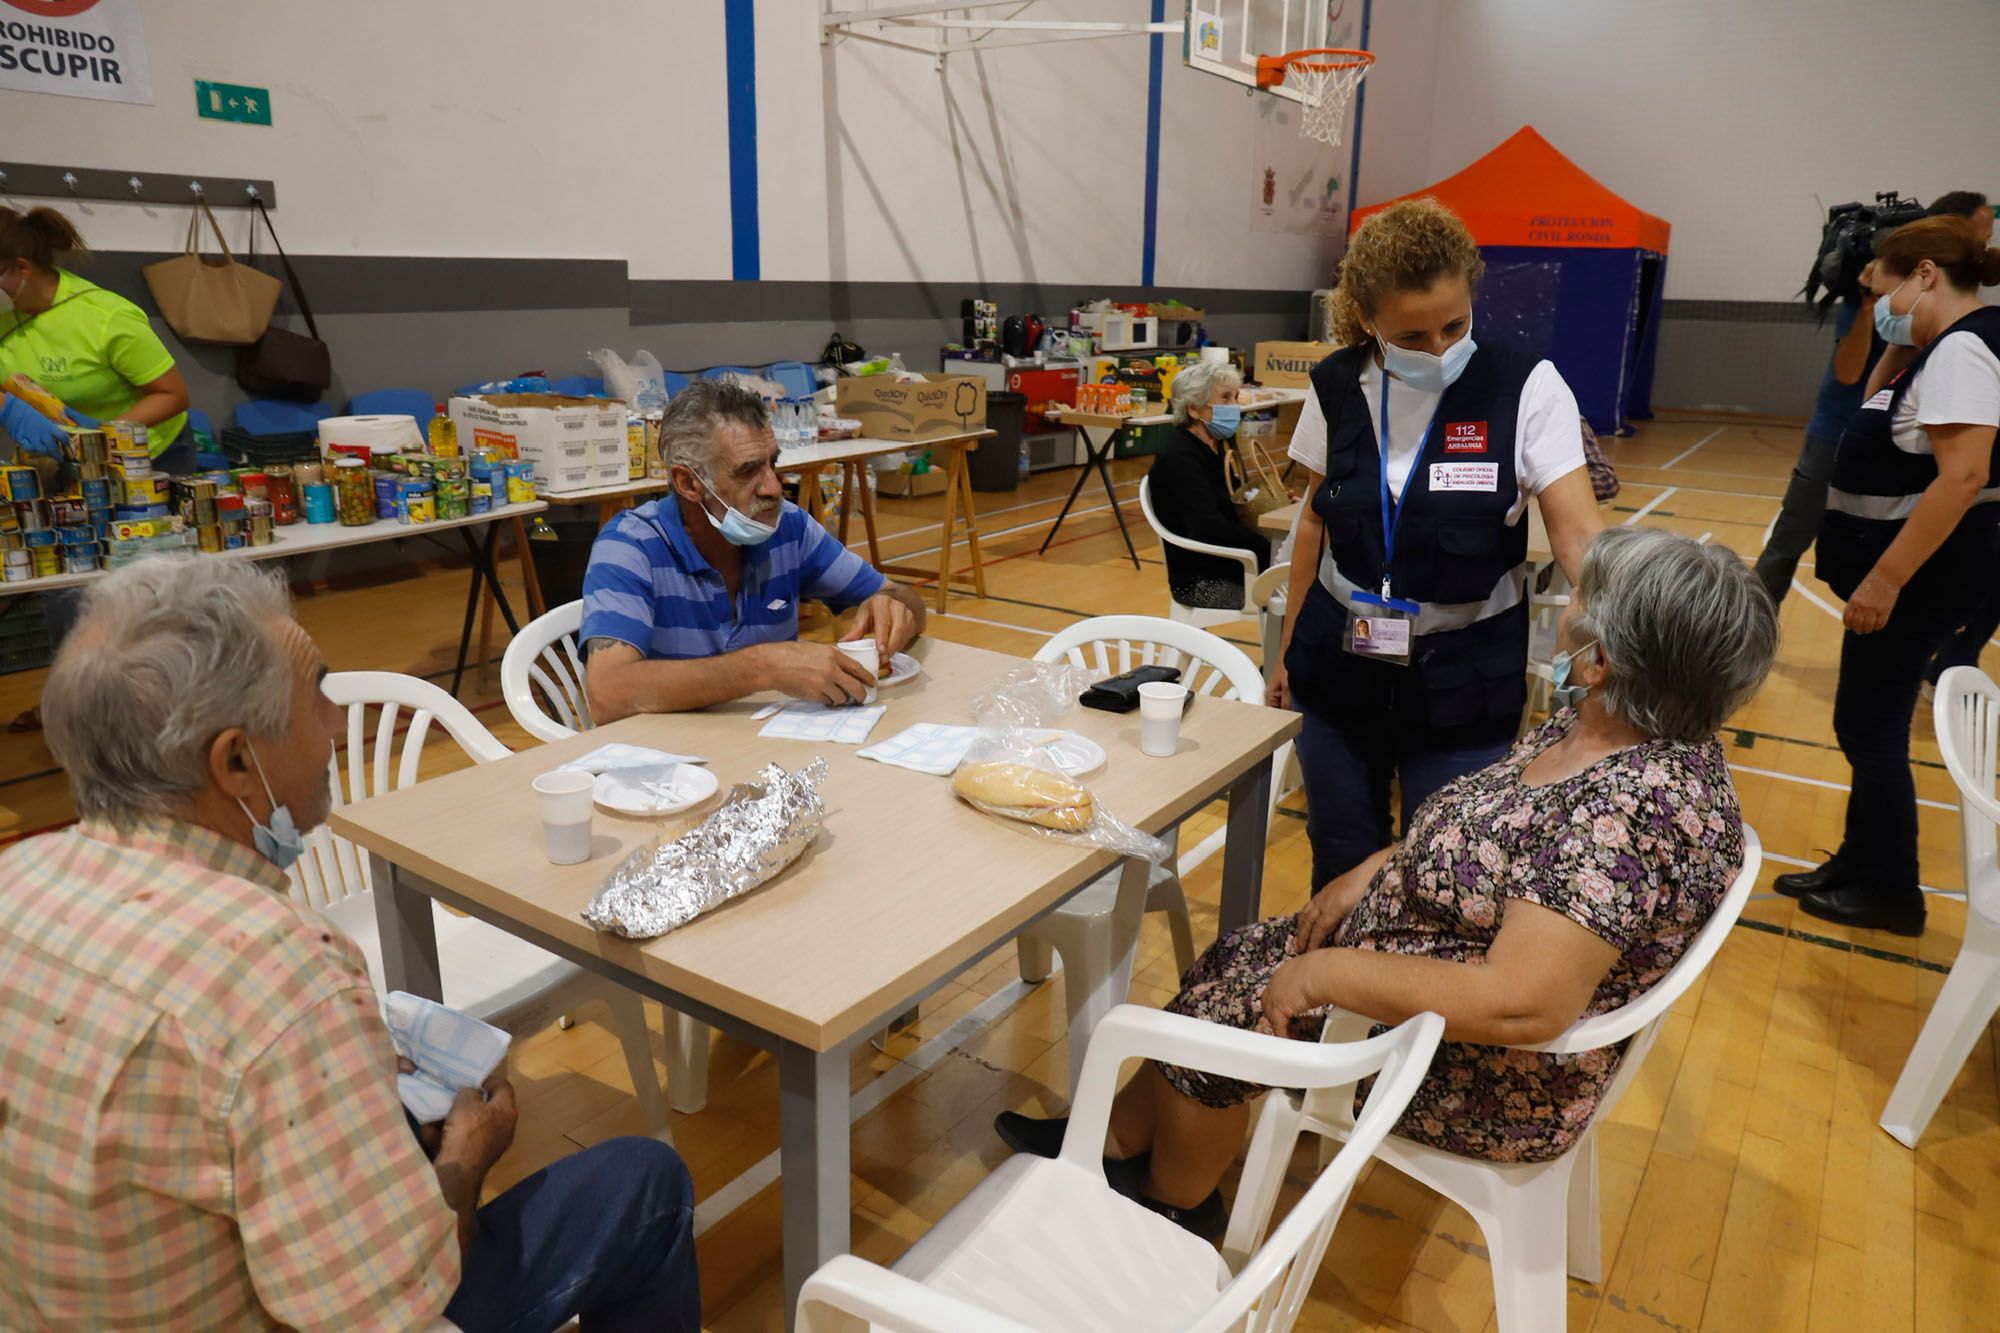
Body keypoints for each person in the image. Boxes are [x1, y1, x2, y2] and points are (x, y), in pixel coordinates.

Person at [996, 528, 1776, 1237]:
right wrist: (1376, 868)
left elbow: (1522, 1001)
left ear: (1602, 661)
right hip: (1432, 961)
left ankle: (1172, 1205)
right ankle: (1116, 1138)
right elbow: (1492, 825)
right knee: (1233, 959)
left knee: (1227, 1017)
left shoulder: (1631, 813)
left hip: (1482, 1068)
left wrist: (1330, 971)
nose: (1565, 610)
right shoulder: (1610, 727)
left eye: (1580, 602)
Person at [0, 558, 701, 1330]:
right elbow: (390, 1305)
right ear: (236, 761)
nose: (337, 724)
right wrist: (469, 1155)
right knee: (645, 1181)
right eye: (318, 698)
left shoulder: (17, 877)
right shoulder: (277, 969)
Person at [1269, 196, 1605, 889]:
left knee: (1443, 873)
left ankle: (1410, 1000)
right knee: (1339, 859)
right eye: (1413, 337)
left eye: (1455, 325)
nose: (1441, 349)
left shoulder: (1529, 388)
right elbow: (1314, 519)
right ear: (1367, 319)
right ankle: (1339, 991)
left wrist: (1610, 630)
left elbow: (1581, 540)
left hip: (1465, 683)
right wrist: (1287, 648)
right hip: (1337, 668)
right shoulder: (1334, 383)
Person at [1782, 216, 2000, 936]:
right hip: (1919, 577)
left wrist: (1886, 579)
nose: (1881, 303)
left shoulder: (1966, 350)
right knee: (1862, 720)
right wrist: (1897, 341)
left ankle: (1890, 888)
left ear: (1927, 273)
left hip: (1921, 580)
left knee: (1870, 727)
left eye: (1889, 286)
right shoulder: (1942, 348)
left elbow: (1964, 474)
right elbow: (1874, 405)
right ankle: (1858, 860)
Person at [582, 378, 926, 720]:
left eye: (772, 464)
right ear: (689, 483)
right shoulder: (630, 546)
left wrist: (895, 609)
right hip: (670, 765)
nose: (774, 488)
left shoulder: (788, 528)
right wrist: (763, 667)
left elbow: (908, 603)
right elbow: (608, 693)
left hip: (765, 746)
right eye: (747, 471)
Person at [0, 204, 193, 473]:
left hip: (147, 456)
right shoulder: (6, 312)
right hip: (66, 456)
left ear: (22, 269)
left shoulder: (106, 317)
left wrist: (104, 434)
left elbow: (172, 395)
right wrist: (9, 409)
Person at [1753, 264, 1886, 604]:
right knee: (1790, 536)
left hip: (1887, 439)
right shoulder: (1859, 307)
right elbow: (1848, 372)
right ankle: (1746, 631)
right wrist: (1869, 307)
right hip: (1834, 432)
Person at [1146, 357, 1271, 609]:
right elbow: (1207, 527)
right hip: (1201, 581)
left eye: (1236, 397)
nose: (1234, 405)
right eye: (1225, 398)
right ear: (1194, 409)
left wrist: (1270, 505)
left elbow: (1234, 502)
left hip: (1225, 565)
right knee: (1300, 588)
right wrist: (1266, 549)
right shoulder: (1180, 457)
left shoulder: (1214, 446)